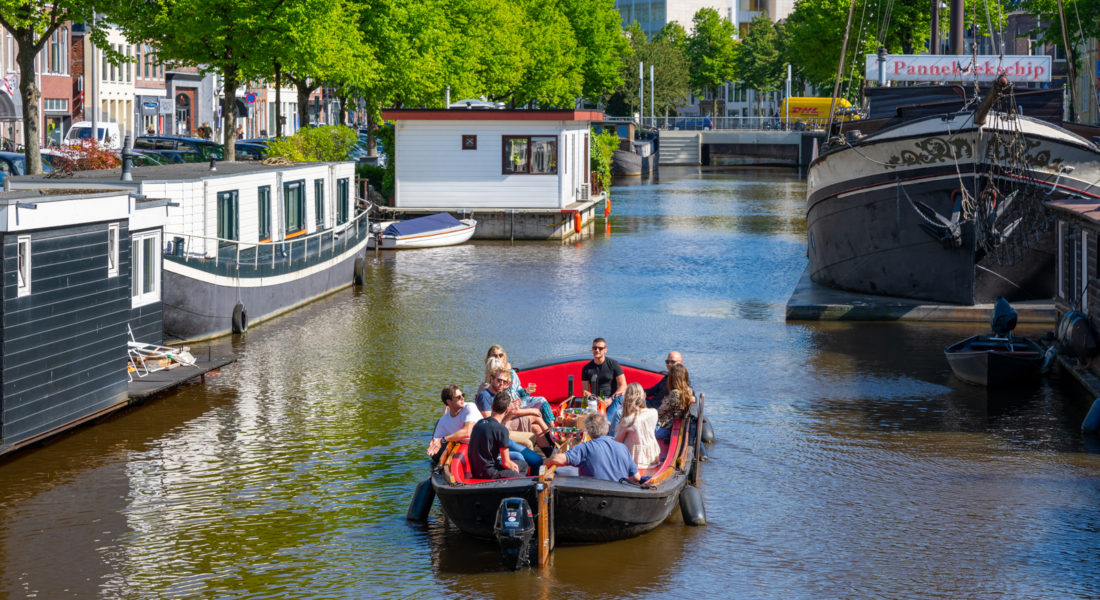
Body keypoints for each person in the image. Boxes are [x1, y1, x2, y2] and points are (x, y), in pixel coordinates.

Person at [475, 366, 545, 468]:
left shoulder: (500, 394)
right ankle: (532, 473)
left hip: (502, 432)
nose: (501, 384)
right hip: (494, 438)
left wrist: (512, 409)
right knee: (533, 456)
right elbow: (491, 426)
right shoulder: (484, 396)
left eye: (504, 382)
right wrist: (511, 412)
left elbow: (500, 421)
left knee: (536, 434)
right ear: (491, 379)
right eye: (499, 380)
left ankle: (550, 453)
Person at [546, 413, 639, 482]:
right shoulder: (622, 447)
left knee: (560, 473)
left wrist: (544, 464)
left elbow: (558, 459)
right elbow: (636, 477)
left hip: (592, 499)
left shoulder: (585, 448)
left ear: (588, 431)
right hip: (618, 498)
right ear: (606, 427)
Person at [484, 344, 554, 425]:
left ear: (504, 357)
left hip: (520, 403)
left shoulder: (512, 373)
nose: (498, 358)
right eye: (495, 356)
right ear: (490, 358)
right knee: (537, 415)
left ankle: (552, 429)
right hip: (508, 408)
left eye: (500, 355)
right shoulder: (491, 377)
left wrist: (526, 390)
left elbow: (519, 392)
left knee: (542, 401)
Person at [468, 390, 529, 479]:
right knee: (520, 475)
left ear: (492, 406)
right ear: (507, 410)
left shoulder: (479, 423)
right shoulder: (502, 429)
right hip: (489, 473)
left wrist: (511, 465)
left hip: (477, 471)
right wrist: (512, 466)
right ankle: (518, 489)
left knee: (523, 465)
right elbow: (506, 463)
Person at [426, 385, 479, 460]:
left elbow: (467, 432)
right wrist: (434, 442)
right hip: (469, 449)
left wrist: (444, 439)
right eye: (458, 397)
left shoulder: (470, 407)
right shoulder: (443, 421)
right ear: (449, 402)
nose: (462, 398)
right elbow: (436, 440)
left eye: (462, 395)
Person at [614, 383, 660, 469]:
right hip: (652, 459)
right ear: (644, 396)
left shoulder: (627, 420)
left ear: (627, 398)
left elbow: (617, 442)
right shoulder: (654, 412)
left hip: (635, 462)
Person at [655, 363, 694, 442]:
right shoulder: (689, 391)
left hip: (662, 429)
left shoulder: (675, 393)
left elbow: (660, 412)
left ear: (672, 379)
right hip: (671, 427)